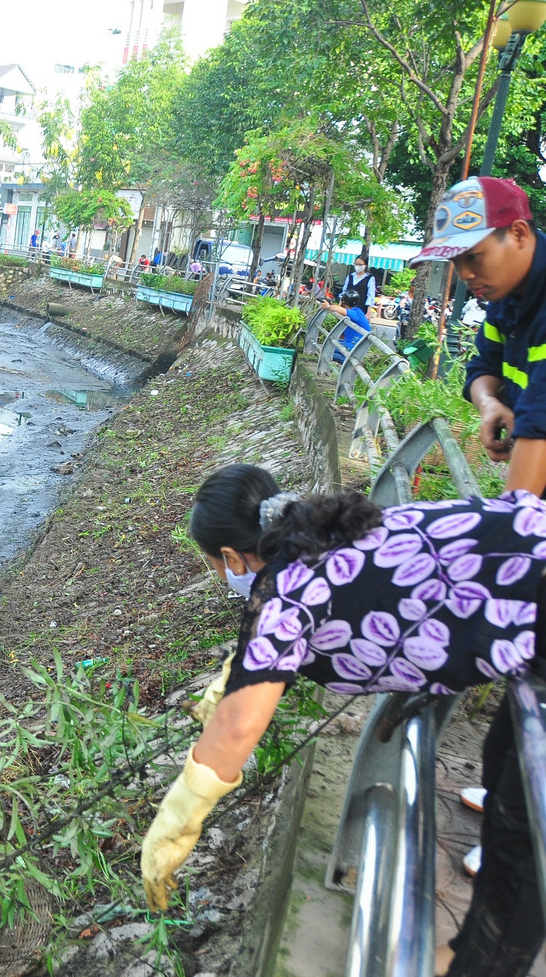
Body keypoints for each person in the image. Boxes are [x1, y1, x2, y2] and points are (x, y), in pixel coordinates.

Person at [141, 464, 546, 977]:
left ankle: (482, 967)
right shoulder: (325, 530)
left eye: (214, 566)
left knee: (523, 831)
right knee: (504, 761)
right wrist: (237, 677)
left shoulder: (287, 592)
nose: (222, 577)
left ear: (231, 556)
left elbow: (239, 729)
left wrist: (172, 828)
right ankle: (467, 951)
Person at [407, 177, 546, 496]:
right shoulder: (508, 295)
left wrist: (512, 518)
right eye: (455, 261)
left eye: (472, 256)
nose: (465, 274)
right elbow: (484, 365)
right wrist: (489, 403)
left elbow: (540, 420)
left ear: (519, 234)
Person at [319, 289, 372, 358]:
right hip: (352, 345)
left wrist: (328, 306)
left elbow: (341, 310)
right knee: (326, 346)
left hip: (354, 348)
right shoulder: (357, 311)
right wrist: (330, 305)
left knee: (325, 351)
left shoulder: (355, 313)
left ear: (344, 301)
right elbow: (340, 309)